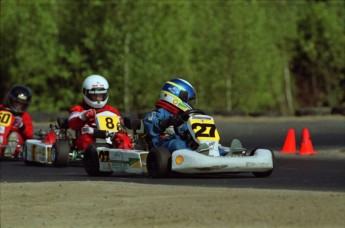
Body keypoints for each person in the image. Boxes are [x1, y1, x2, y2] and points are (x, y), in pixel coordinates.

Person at [143, 78, 244, 156]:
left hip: (183, 141)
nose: (190, 104)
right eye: (188, 100)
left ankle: (225, 154)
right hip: (162, 144)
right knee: (178, 144)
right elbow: (149, 127)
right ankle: (201, 155)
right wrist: (168, 122)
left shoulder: (185, 116)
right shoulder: (159, 113)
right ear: (176, 97)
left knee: (211, 145)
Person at [68, 74, 122, 151]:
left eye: (101, 95)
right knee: (86, 140)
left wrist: (121, 125)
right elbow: (72, 124)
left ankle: (126, 155)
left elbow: (120, 127)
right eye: (94, 95)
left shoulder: (112, 111)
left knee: (123, 138)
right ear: (86, 93)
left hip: (110, 139)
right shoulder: (79, 109)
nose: (98, 98)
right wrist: (83, 116)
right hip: (89, 138)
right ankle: (93, 158)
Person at [0, 85, 34, 156]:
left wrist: (22, 126)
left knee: (14, 135)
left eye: (21, 105)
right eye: (17, 103)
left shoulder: (24, 116)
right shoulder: (1, 108)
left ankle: (9, 151)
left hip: (14, 139)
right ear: (11, 100)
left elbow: (30, 135)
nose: (18, 106)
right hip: (3, 135)